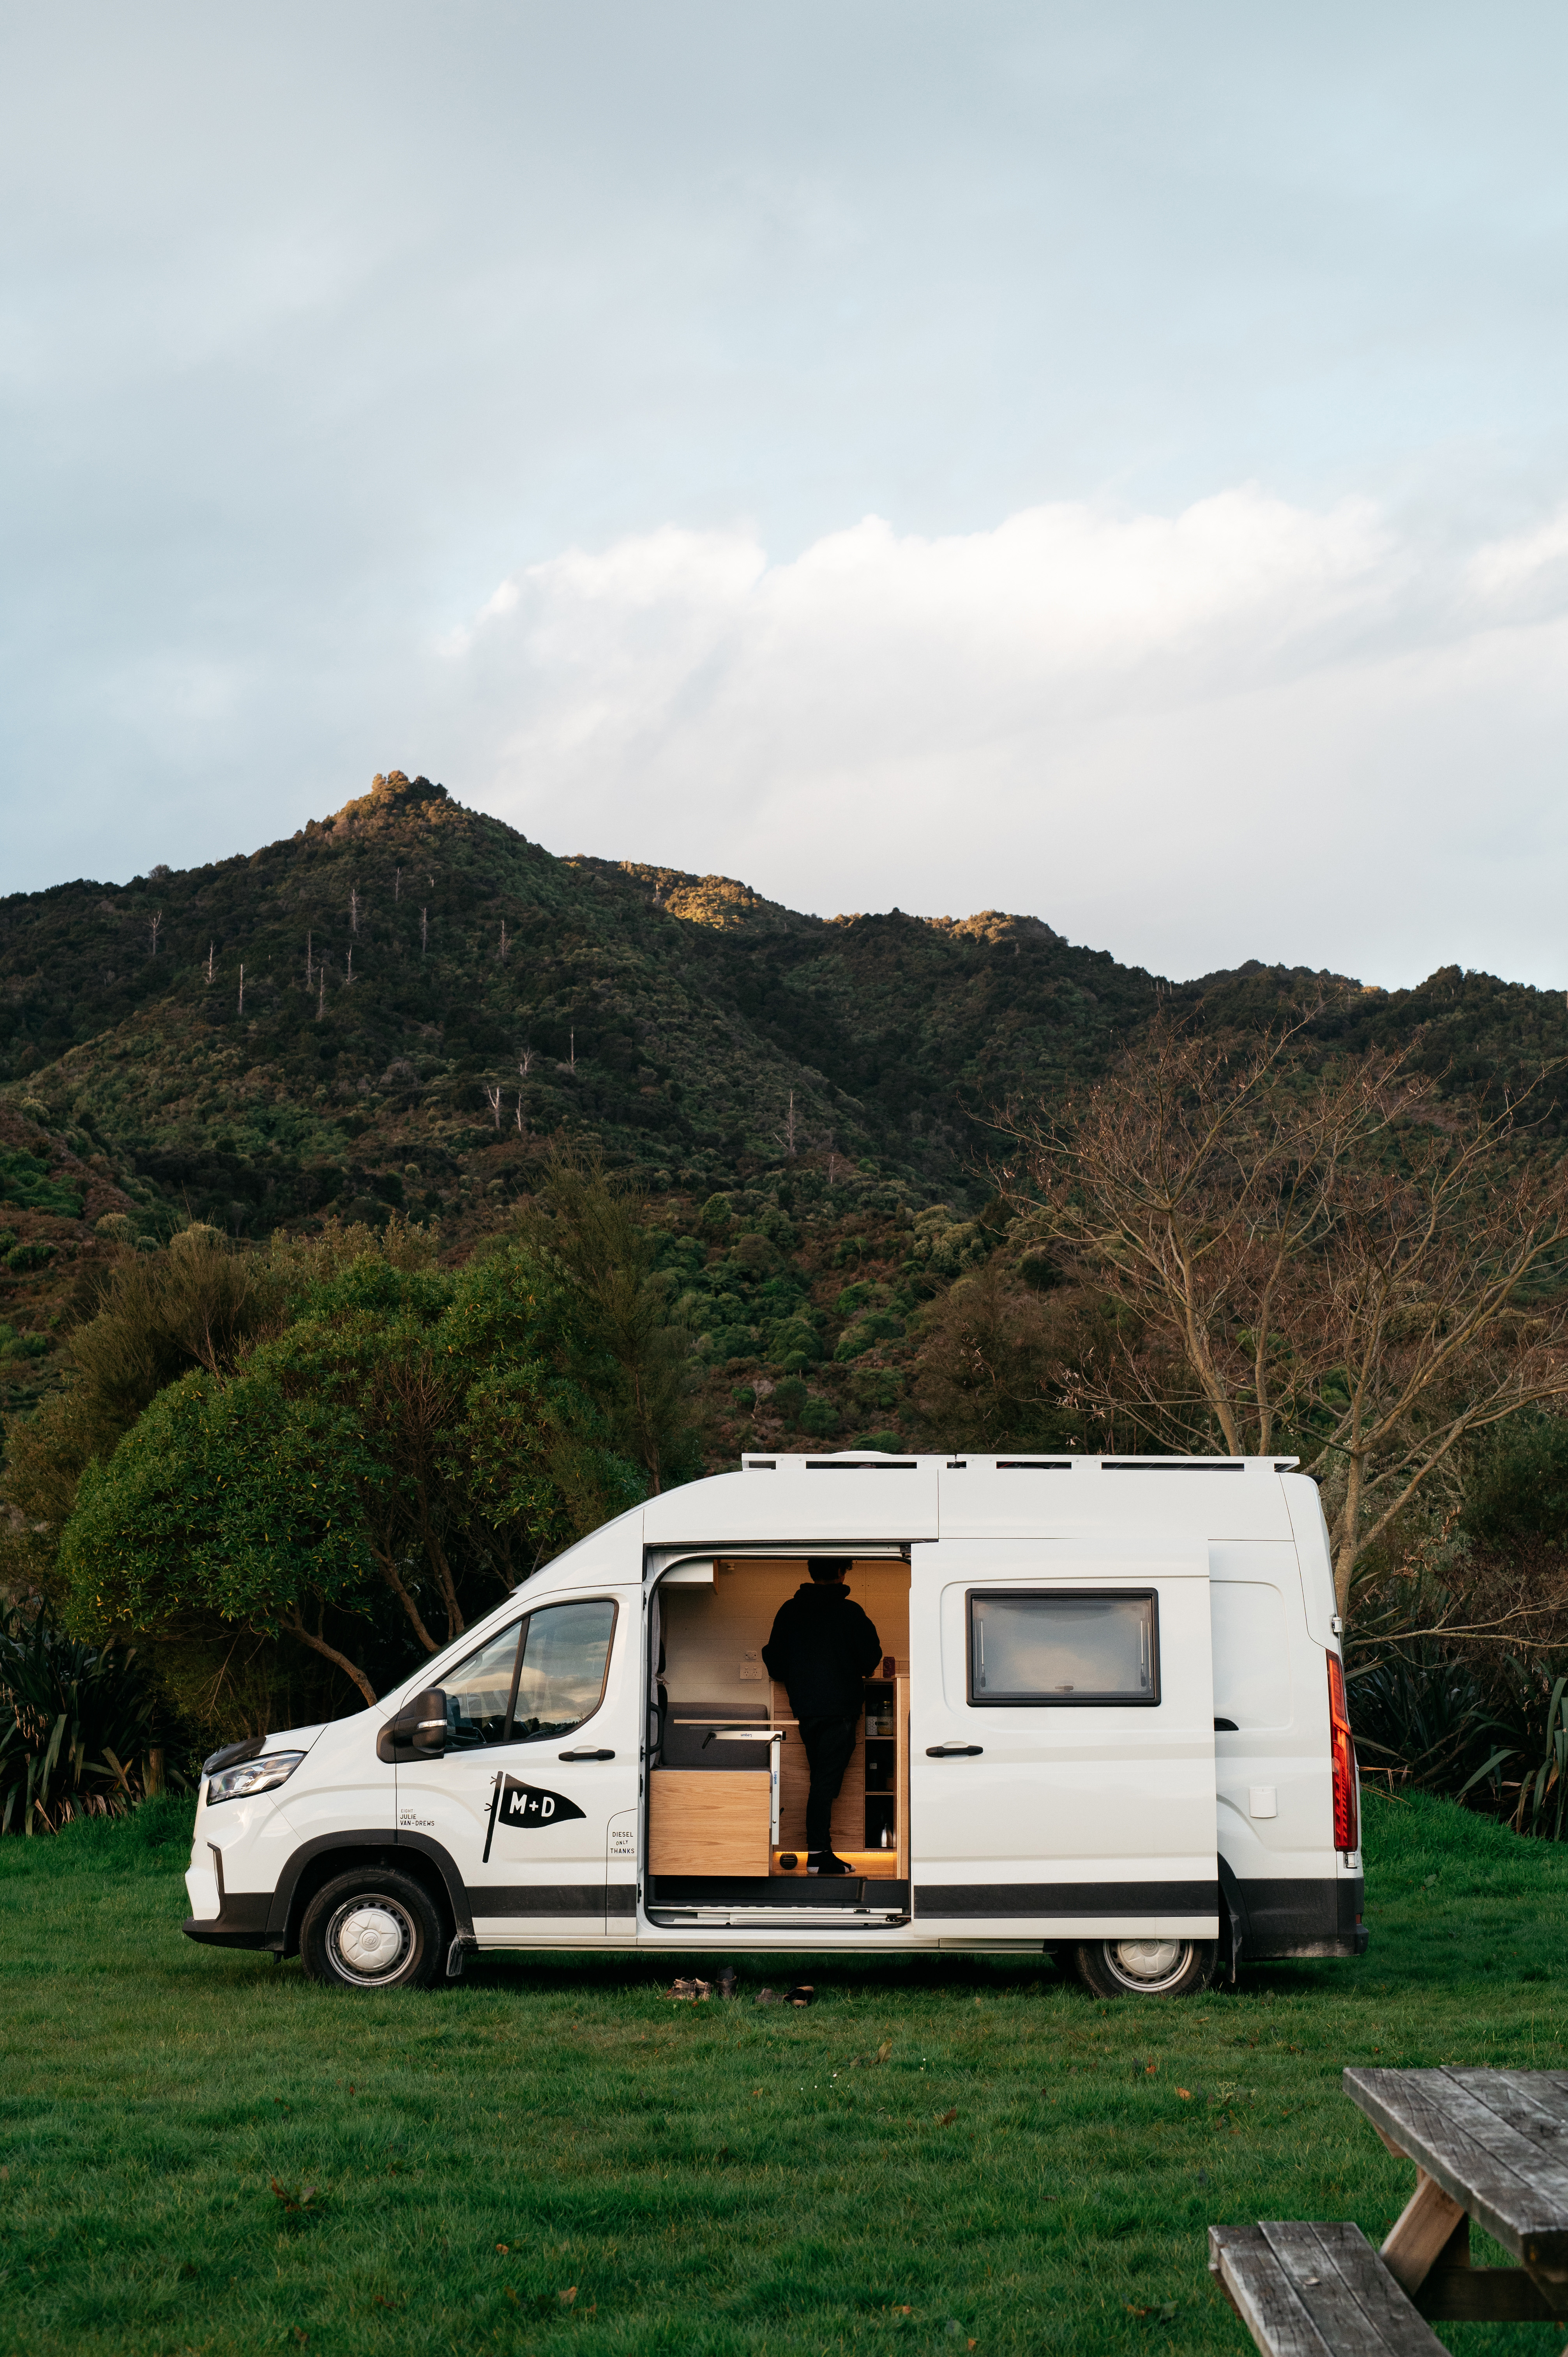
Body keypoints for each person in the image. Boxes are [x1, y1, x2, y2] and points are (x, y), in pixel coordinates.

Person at [762, 1557, 882, 1875]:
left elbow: (774, 1662)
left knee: (821, 1780)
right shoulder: (850, 1612)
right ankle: (818, 1856)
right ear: (842, 1573)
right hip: (840, 1708)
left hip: (805, 1709)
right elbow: (870, 1658)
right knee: (825, 1784)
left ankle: (820, 1851)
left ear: (812, 1573)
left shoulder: (790, 1611)